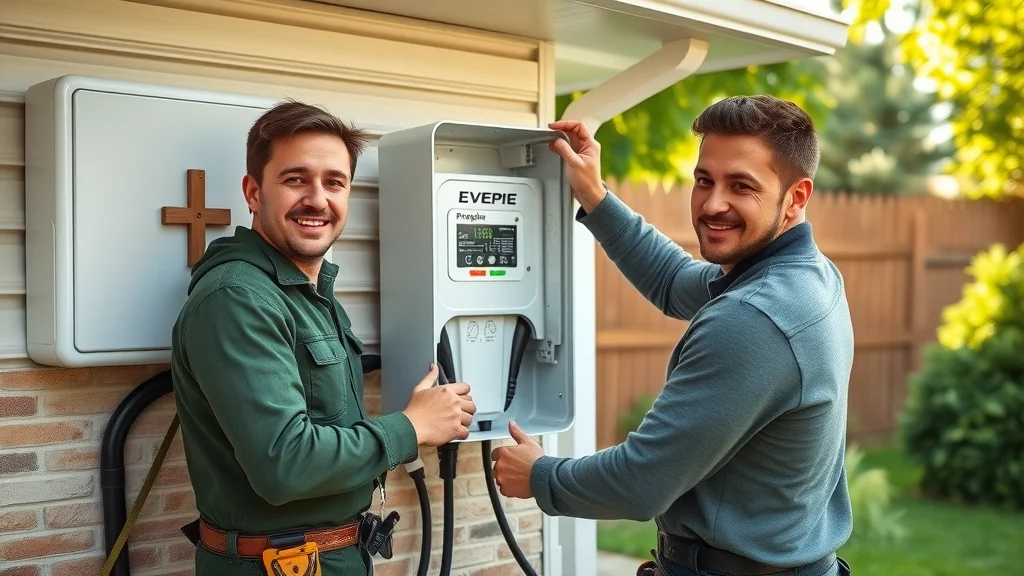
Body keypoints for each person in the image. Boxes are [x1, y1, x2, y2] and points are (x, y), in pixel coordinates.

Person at [491, 95, 855, 576]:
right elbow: (673, 280)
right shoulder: (807, 277)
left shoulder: (755, 317)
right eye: (704, 180)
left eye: (741, 186)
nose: (713, 203)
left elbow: (643, 481)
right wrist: (595, 195)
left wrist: (539, 476)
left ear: (797, 197)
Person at [170, 100, 477, 576]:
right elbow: (284, 464)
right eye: (295, 179)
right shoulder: (237, 299)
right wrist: (412, 427)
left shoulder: (307, 291)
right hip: (277, 565)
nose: (318, 198)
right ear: (253, 192)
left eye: (334, 182)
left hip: (328, 557)